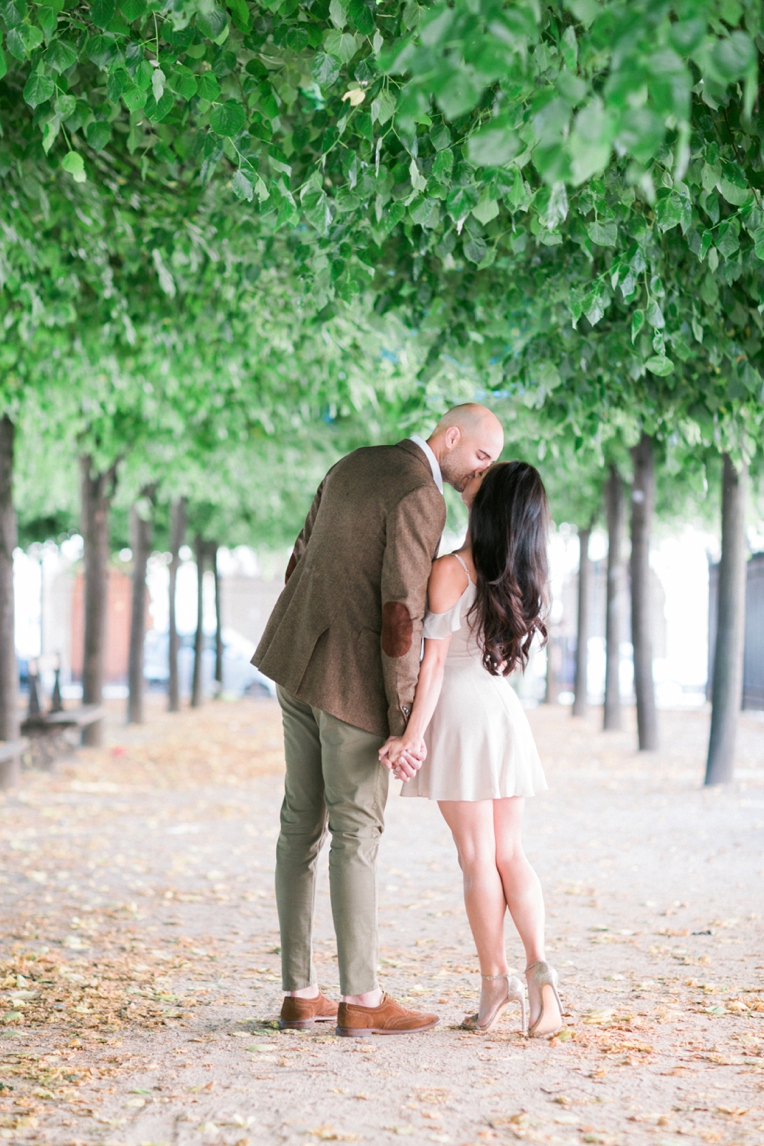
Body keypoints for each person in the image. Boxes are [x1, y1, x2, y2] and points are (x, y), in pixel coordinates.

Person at [252, 405, 504, 1037]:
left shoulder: (354, 463)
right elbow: (401, 611)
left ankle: (298, 992)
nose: (482, 473)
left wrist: (302, 629)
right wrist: (403, 721)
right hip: (351, 683)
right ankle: (362, 997)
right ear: (451, 437)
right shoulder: (422, 493)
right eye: (480, 456)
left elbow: (301, 553)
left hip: (296, 660)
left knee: (298, 827)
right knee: (357, 833)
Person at [379, 462, 563, 1037]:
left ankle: (494, 983)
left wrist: (411, 737)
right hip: (500, 709)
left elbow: (432, 666)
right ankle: (543, 978)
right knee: (512, 853)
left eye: (483, 478)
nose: (472, 480)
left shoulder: (452, 571)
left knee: (477, 859)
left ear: (490, 505)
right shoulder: (521, 569)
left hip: (457, 712)